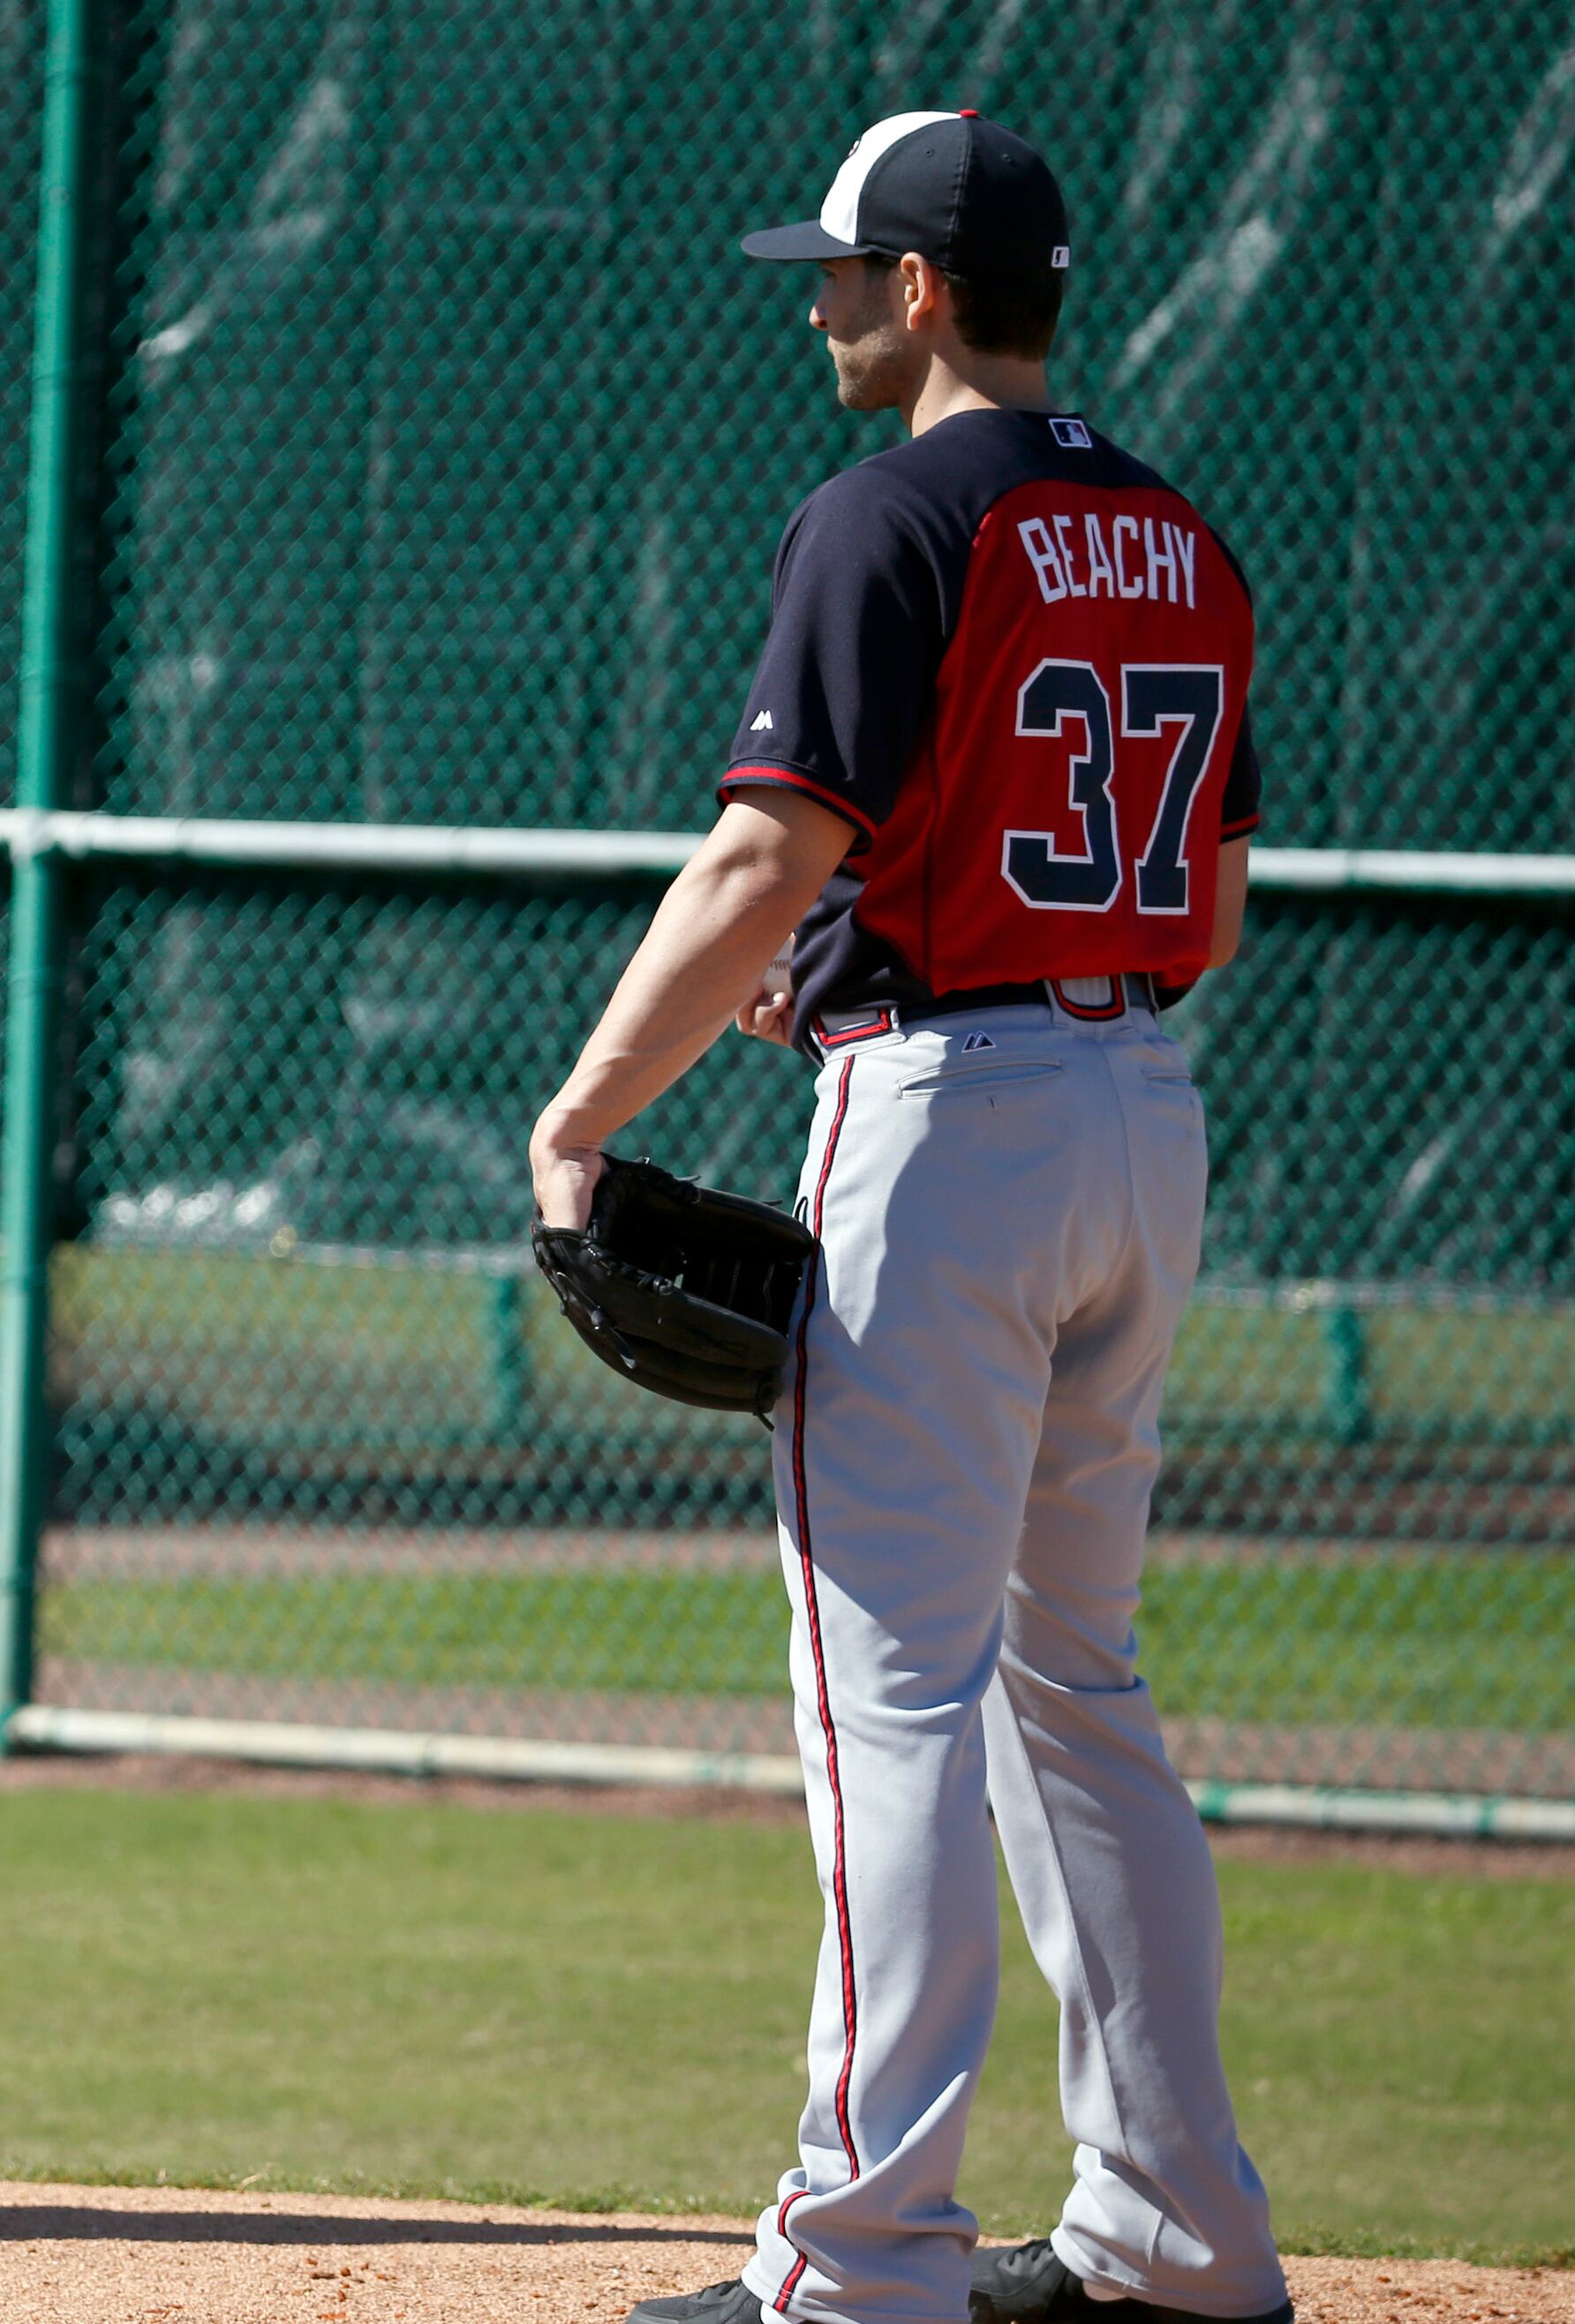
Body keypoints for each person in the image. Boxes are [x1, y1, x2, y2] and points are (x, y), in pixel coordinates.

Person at [523, 114, 1293, 2324]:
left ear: (932, 289)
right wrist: (911, 965)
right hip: (1140, 1112)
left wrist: (587, 1114)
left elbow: (766, 855)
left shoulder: (889, 514)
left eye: (846, 270)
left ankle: (858, 2260)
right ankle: (1180, 2233)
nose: (820, 302)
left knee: (892, 1693)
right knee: (1083, 1687)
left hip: (951, 1133)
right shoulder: (1183, 536)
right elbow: (1202, 908)